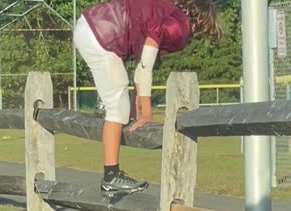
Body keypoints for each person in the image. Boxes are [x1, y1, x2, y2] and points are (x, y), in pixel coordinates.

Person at [73, 0, 222, 194]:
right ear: (202, 21)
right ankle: (111, 177)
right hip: (102, 32)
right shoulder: (179, 27)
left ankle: (104, 105)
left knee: (120, 101)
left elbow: (141, 61)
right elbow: (146, 64)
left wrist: (137, 102)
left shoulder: (169, 11)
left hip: (92, 24)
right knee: (118, 110)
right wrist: (147, 113)